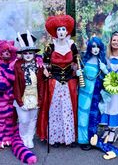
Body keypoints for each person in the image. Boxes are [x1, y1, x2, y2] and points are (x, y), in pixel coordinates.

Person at [37, 14, 78, 147]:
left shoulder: (72, 46)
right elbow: (45, 63)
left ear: (67, 31)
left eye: (63, 29)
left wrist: (77, 71)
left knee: (68, 109)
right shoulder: (50, 47)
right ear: (56, 32)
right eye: (59, 29)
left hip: (68, 82)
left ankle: (69, 137)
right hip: (54, 82)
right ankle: (54, 137)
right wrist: (45, 70)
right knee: (54, 110)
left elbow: (76, 63)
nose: (61, 32)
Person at [13, 31, 44, 149]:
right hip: (22, 96)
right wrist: (20, 101)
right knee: (24, 120)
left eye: (30, 53)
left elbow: (41, 83)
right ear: (22, 54)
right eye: (25, 53)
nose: (28, 55)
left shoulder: (39, 65)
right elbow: (16, 84)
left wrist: (40, 100)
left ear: (34, 54)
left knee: (32, 119)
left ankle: (30, 137)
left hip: (35, 96)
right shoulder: (18, 65)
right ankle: (23, 136)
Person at [78, 36, 107, 150]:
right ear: (90, 48)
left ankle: (92, 138)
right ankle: (82, 139)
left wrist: (105, 71)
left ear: (100, 49)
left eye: (97, 47)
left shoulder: (102, 62)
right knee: (82, 115)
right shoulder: (84, 60)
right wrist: (78, 73)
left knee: (93, 117)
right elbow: (80, 76)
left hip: (95, 94)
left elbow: (107, 79)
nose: (95, 49)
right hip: (83, 92)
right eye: (93, 46)